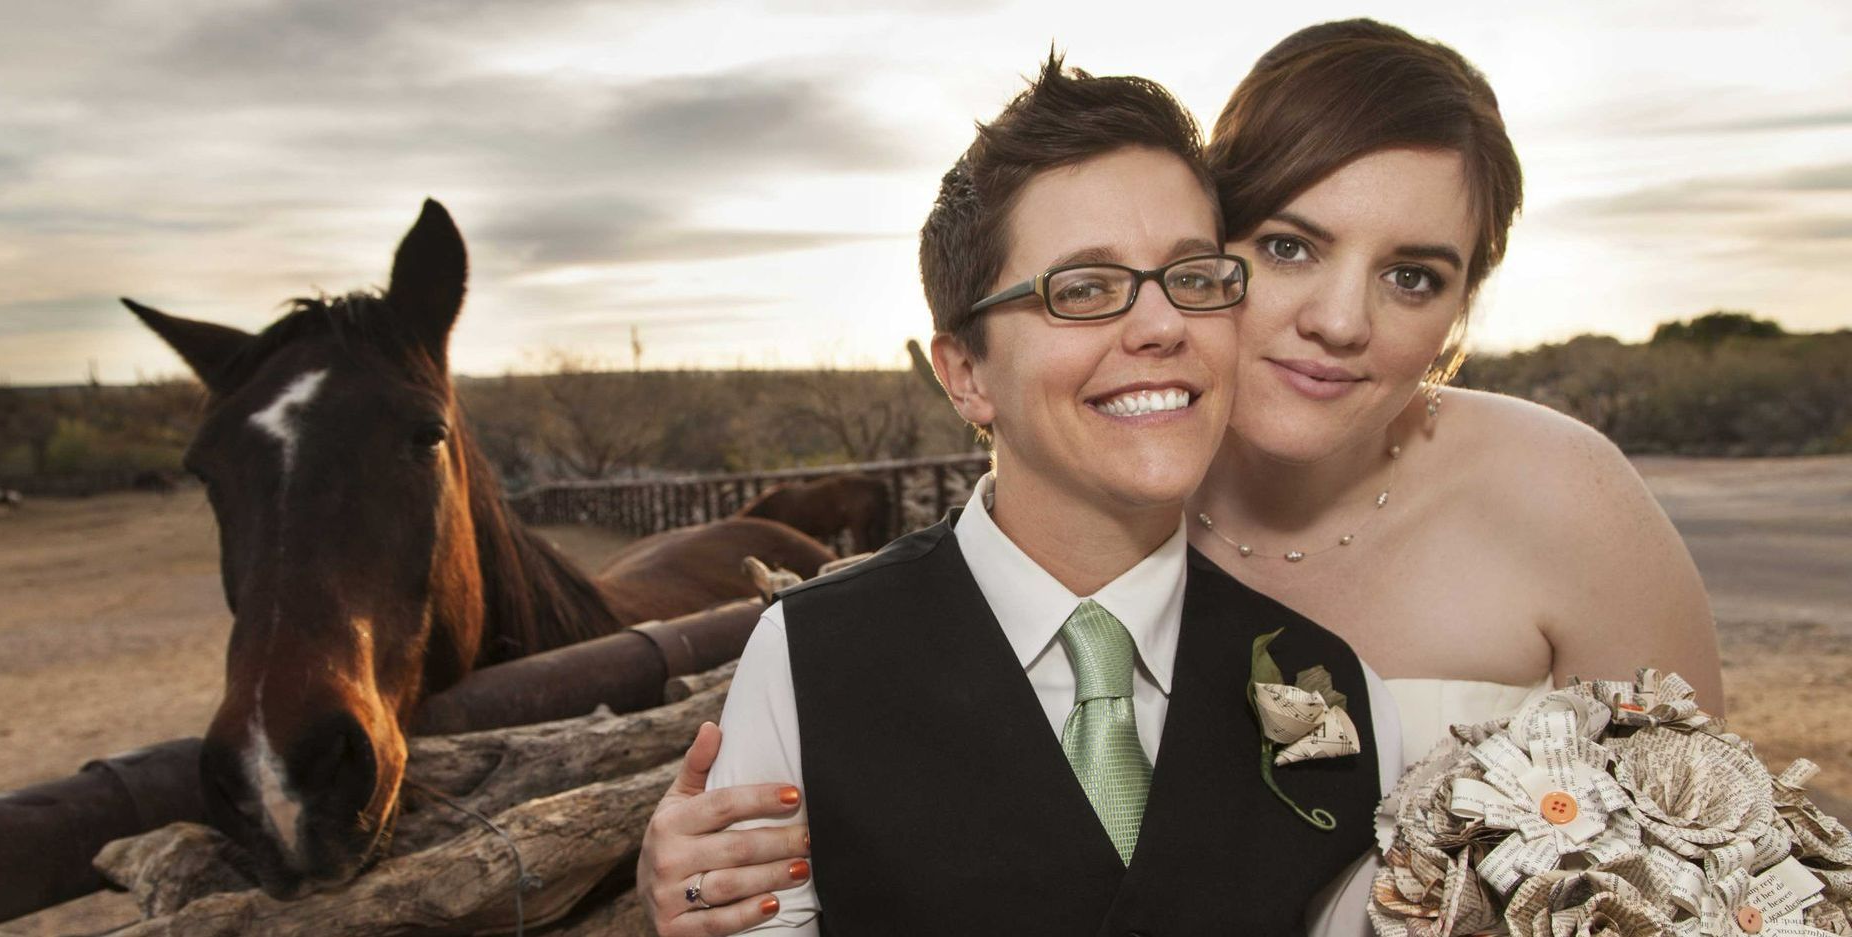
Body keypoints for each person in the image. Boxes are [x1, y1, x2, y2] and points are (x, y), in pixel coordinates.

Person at [636, 19, 1724, 937]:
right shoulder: (860, 633)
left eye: (1412, 274)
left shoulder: (1528, 522)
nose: (1341, 320)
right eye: (1291, 247)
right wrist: (698, 885)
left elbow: (1707, 848)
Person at [644, 53, 1398, 937]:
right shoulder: (809, 658)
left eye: (1194, 278)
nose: (1162, 326)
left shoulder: (1338, 691)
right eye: (1083, 289)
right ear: (966, 375)